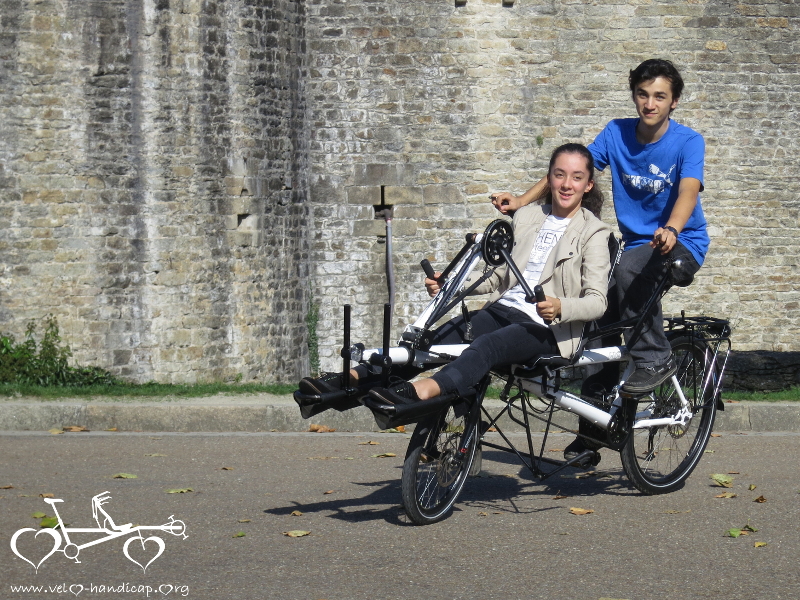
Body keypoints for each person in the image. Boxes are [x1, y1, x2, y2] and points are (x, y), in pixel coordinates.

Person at [490, 59, 709, 461]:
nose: (650, 103)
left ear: (673, 101)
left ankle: (656, 358)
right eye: (643, 94)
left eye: (659, 96)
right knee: (598, 323)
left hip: (681, 241)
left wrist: (673, 229)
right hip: (637, 243)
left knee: (627, 270)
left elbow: (688, 193)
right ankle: (591, 436)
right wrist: (521, 200)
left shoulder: (687, 142)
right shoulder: (617, 132)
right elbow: (576, 166)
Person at [363, 143, 611, 409]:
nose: (566, 184)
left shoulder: (594, 232)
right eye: (559, 174)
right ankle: (358, 380)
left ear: (588, 185)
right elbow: (496, 277)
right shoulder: (527, 216)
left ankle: (419, 392)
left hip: (546, 329)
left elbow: (597, 302)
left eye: (576, 177)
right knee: (441, 337)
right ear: (548, 178)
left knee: (487, 346)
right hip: (502, 311)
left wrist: (560, 306)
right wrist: (451, 285)